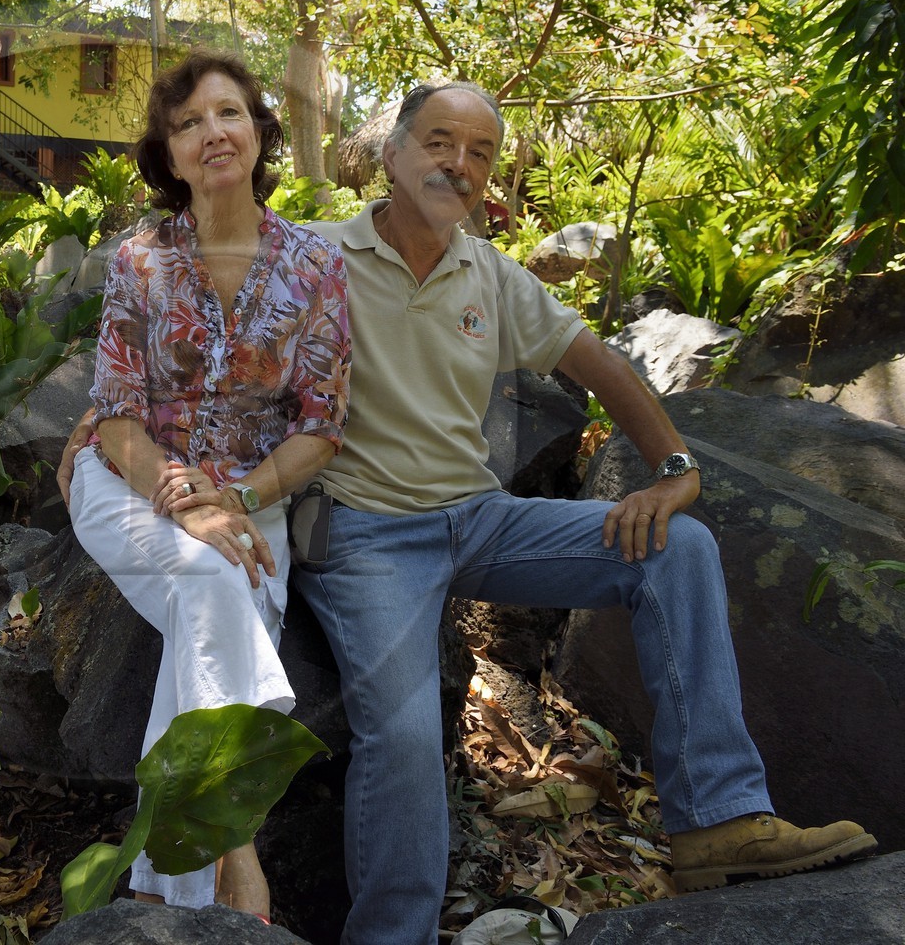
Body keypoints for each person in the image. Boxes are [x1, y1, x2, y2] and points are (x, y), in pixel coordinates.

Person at [285, 81, 877, 944]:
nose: (459, 162)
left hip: (479, 518)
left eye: (480, 151)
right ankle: (390, 935)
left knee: (678, 550)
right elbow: (209, 348)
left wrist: (674, 468)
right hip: (367, 534)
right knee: (404, 738)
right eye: (440, 140)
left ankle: (716, 821)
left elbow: (606, 369)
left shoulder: (488, 274)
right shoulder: (312, 258)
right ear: (392, 155)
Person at [63, 50, 351, 920]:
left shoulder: (313, 263)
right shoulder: (139, 259)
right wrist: (186, 502)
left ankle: (168, 894)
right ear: (170, 153)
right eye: (186, 123)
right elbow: (116, 417)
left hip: (249, 492)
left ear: (259, 134)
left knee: (220, 583)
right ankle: (237, 851)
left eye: (227, 114)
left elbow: (320, 427)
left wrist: (240, 498)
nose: (210, 134)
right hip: (124, 477)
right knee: (216, 573)